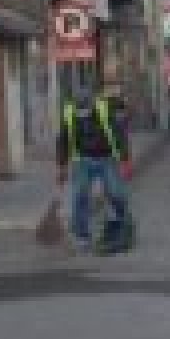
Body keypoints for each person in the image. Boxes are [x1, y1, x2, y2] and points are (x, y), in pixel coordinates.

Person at [57, 87, 132, 251]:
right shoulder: (69, 113)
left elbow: (119, 135)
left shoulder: (104, 110)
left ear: (91, 104)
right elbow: (63, 140)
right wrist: (61, 166)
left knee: (115, 193)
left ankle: (122, 226)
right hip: (82, 160)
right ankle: (82, 236)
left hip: (106, 158)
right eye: (80, 111)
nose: (82, 114)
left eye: (85, 110)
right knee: (79, 196)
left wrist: (125, 160)